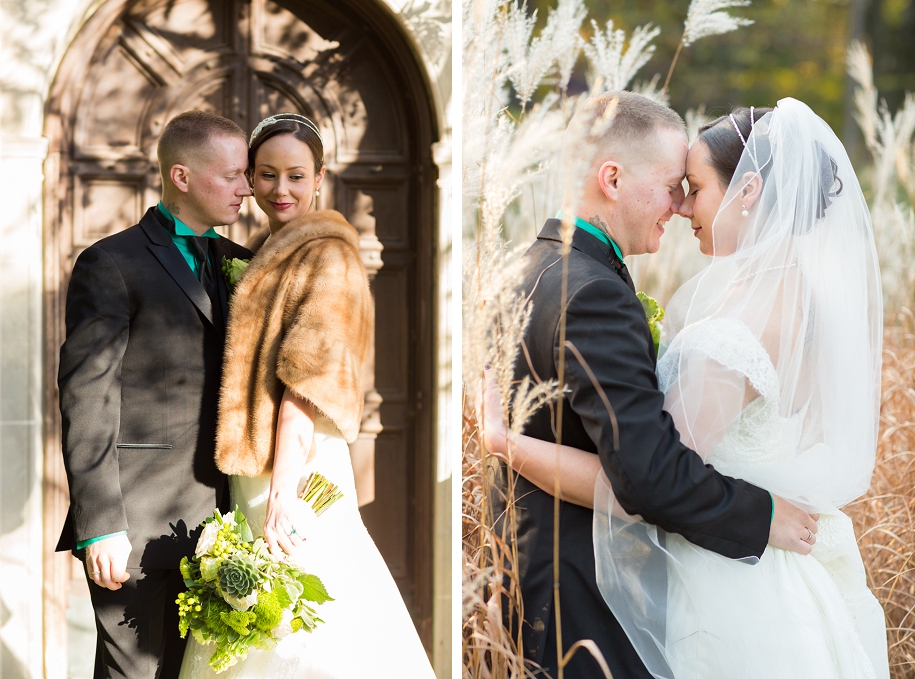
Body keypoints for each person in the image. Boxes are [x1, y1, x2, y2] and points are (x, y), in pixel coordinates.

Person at [484, 98, 889, 678]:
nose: (680, 207)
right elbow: (651, 478)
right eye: (677, 185)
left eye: (692, 188)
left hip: (726, 580)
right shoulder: (758, 297)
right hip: (667, 574)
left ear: (748, 191)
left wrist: (505, 442)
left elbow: (648, 480)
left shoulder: (535, 268)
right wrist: (762, 511)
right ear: (613, 178)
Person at [178, 113, 435, 678]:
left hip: (298, 462)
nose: (279, 189)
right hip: (258, 464)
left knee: (307, 612)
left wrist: (282, 494)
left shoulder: (327, 256)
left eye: (295, 175)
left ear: (319, 177)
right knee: (259, 613)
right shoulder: (258, 251)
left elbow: (305, 386)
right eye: (265, 174)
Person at [56, 110, 254, 679]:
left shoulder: (244, 264)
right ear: (181, 176)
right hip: (136, 530)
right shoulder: (110, 263)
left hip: (227, 530)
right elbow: (86, 399)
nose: (246, 189)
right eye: (232, 175)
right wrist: (100, 524)